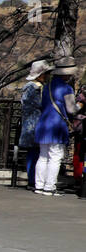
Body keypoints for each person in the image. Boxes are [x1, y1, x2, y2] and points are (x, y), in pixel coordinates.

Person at [33, 56, 78, 195]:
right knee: (55, 157)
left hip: (43, 123)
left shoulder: (46, 87)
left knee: (43, 156)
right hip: (57, 126)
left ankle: (39, 185)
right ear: (68, 74)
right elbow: (72, 110)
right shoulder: (67, 88)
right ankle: (49, 187)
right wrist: (80, 104)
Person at [15, 60, 51, 191]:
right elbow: (40, 104)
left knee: (34, 153)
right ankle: (33, 180)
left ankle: (33, 180)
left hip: (31, 124)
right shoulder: (35, 88)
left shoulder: (30, 87)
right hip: (35, 124)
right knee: (35, 153)